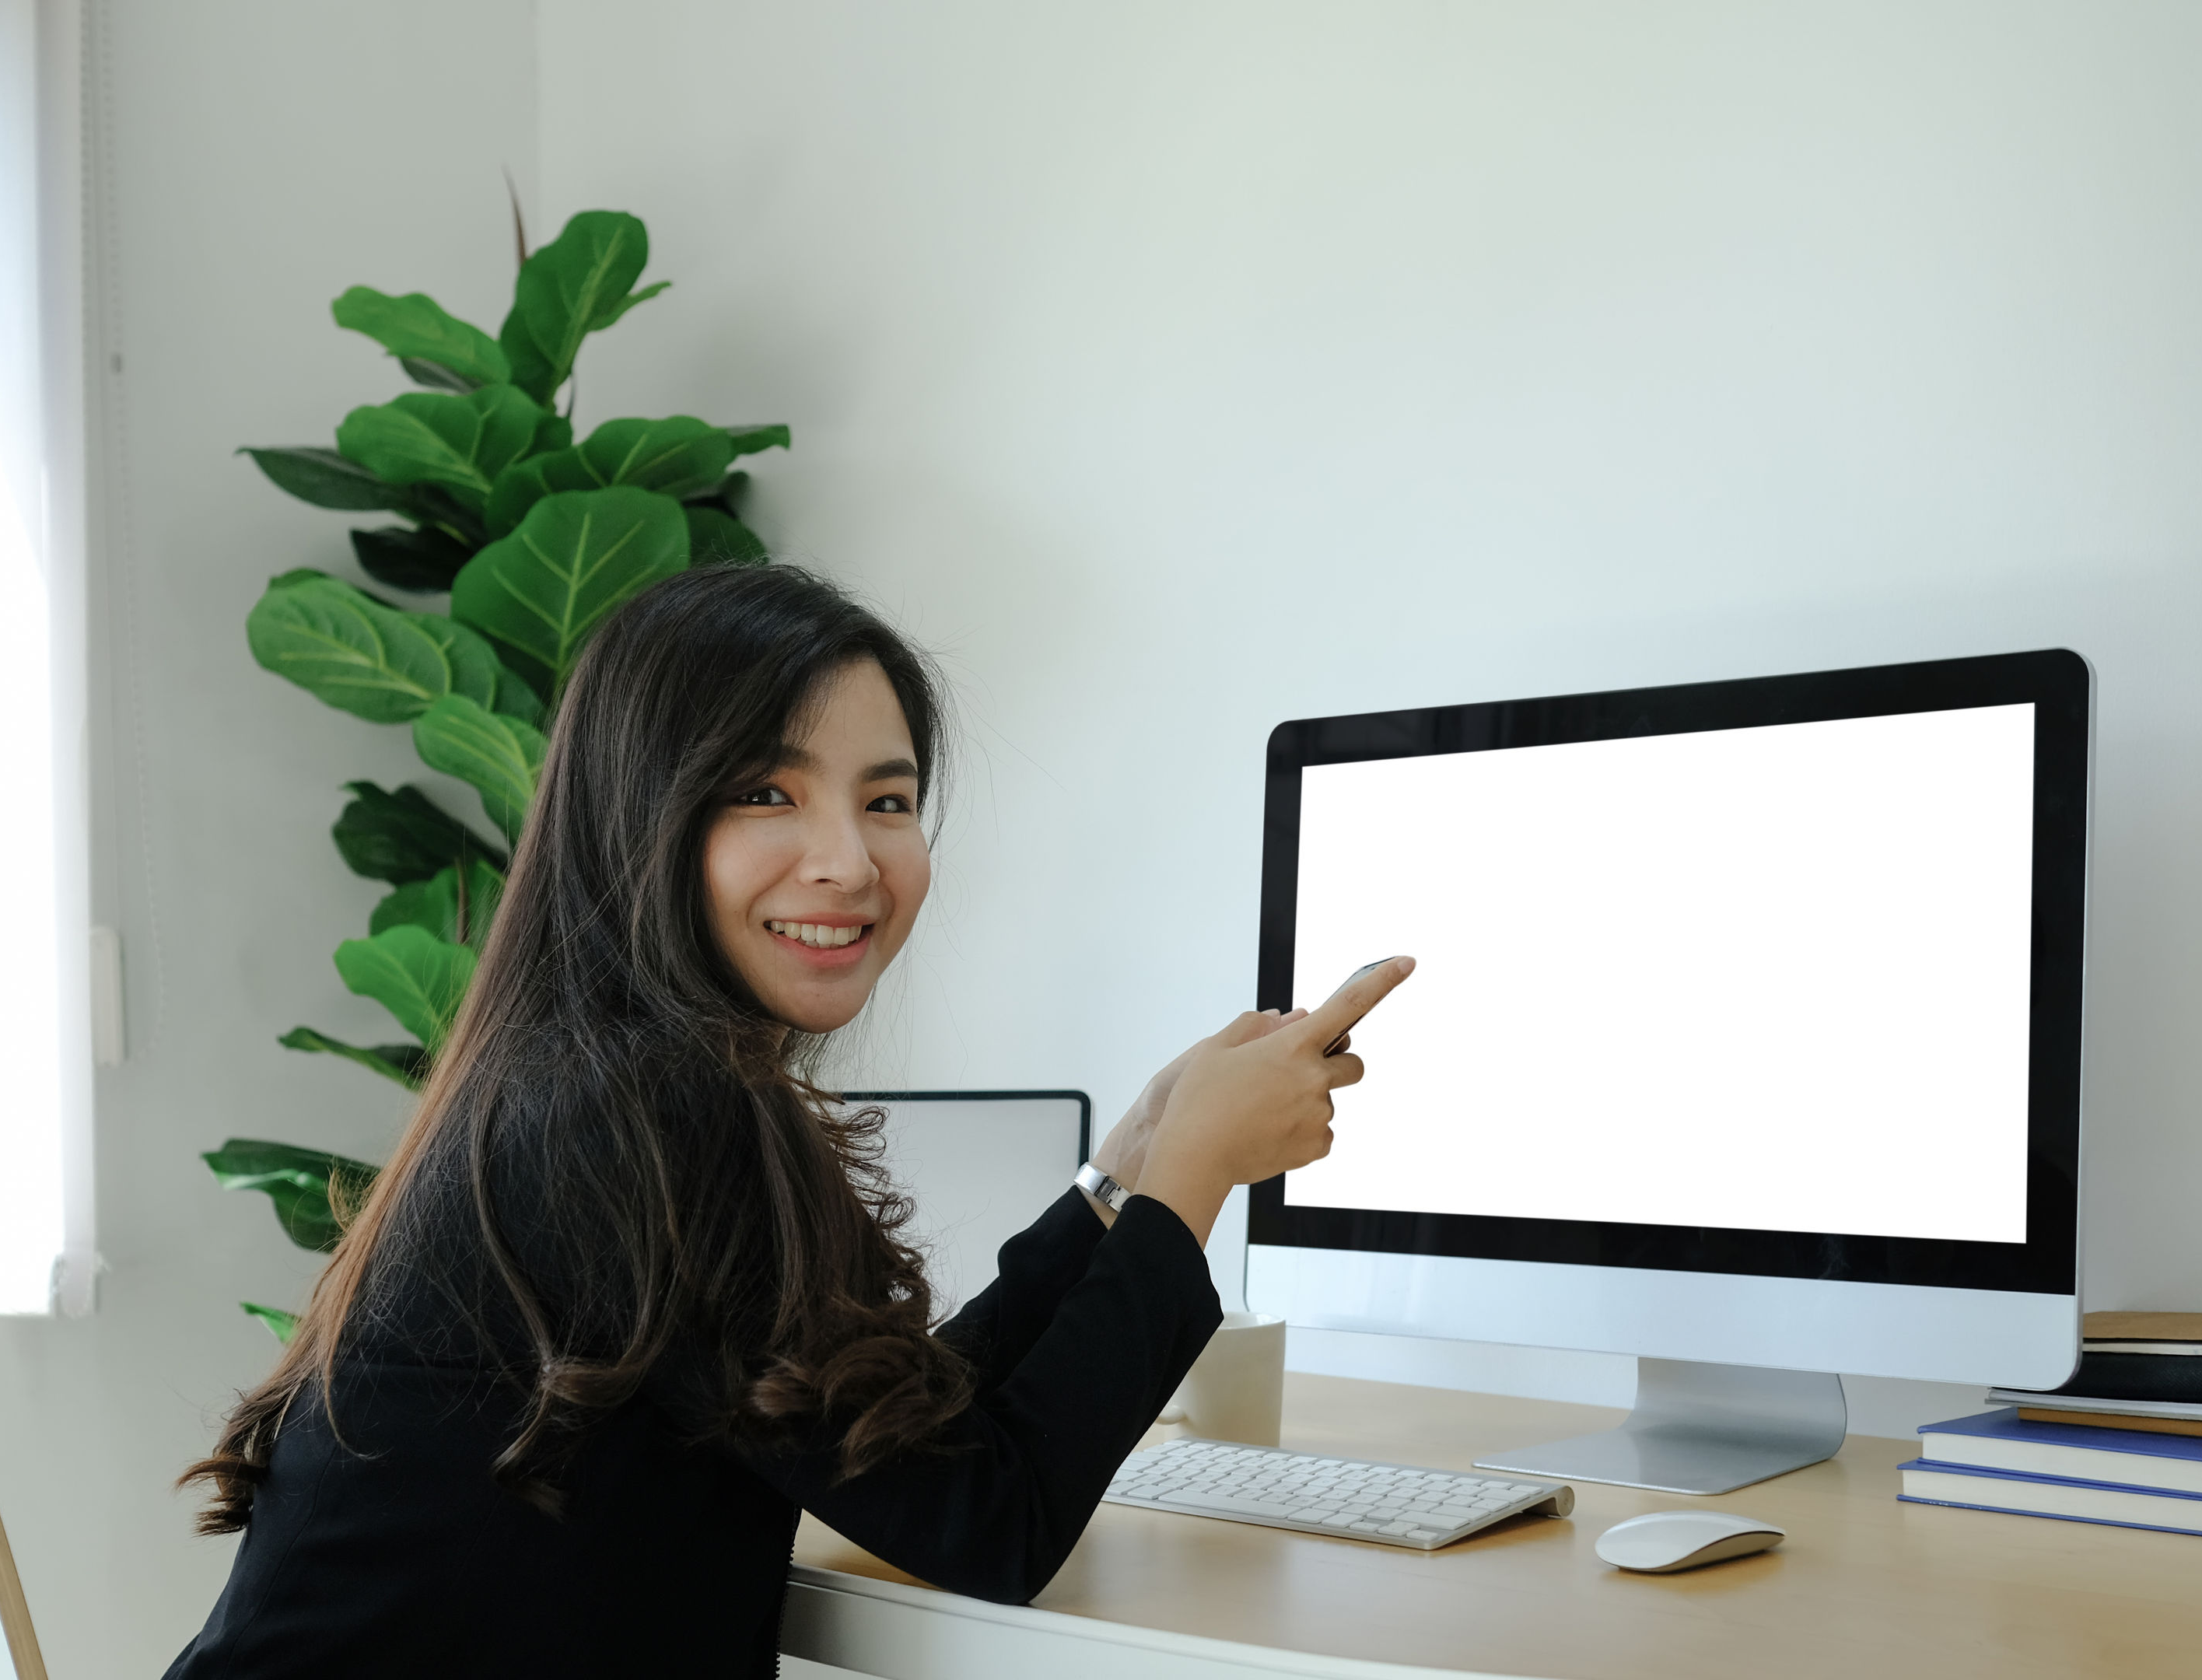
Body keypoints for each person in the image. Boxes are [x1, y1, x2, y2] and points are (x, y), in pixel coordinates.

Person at [166, 565, 1412, 1677]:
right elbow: (994, 1522)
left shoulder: (592, 1080)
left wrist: (1123, 1175)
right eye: (766, 792)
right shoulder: (645, 1117)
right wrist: (1195, 1179)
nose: (849, 862)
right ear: (642, 819)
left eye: (887, 801)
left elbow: (898, 1435)